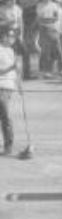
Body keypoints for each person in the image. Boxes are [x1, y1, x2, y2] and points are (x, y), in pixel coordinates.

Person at [0, 26, 19, 154]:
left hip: (9, 86)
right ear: (3, 36)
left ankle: (8, 145)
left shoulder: (11, 50)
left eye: (13, 36)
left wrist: (19, 83)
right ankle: (8, 145)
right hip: (1, 85)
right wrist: (12, 67)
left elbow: (15, 71)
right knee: (5, 116)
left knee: (5, 116)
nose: (12, 39)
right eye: (10, 36)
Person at [36, 0, 62, 76]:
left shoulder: (54, 5)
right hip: (43, 29)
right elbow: (39, 19)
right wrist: (48, 20)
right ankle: (47, 71)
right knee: (46, 51)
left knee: (58, 50)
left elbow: (56, 18)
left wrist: (47, 20)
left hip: (54, 29)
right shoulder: (39, 5)